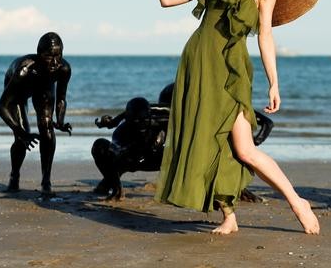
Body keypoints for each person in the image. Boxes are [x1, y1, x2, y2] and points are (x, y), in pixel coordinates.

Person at [149, 0, 320, 234]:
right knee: (206, 138)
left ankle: (297, 201)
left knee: (244, 149)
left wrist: (274, 82)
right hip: (198, 62)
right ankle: (228, 216)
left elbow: (264, 36)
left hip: (232, 68)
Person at [92, 83, 274, 201]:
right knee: (104, 150)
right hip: (134, 156)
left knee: (213, 147)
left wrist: (254, 140)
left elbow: (262, 121)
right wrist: (113, 180)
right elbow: (127, 125)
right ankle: (113, 184)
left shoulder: (175, 116)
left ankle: (231, 189)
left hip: (163, 156)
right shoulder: (129, 129)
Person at [0, 32, 72, 196]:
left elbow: (61, 99)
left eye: (58, 56)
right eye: (48, 56)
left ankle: (46, 181)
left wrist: (59, 121)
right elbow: (2, 107)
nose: (54, 62)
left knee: (47, 128)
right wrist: (21, 133)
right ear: (39, 54)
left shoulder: (63, 69)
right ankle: (14, 176)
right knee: (22, 136)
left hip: (44, 88)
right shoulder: (24, 69)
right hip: (19, 90)